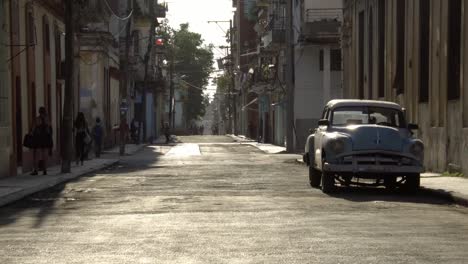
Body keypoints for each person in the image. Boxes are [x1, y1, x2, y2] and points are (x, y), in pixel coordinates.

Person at [31, 107, 53, 175]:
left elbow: (33, 128)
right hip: (46, 138)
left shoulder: (37, 119)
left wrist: (31, 134)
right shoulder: (47, 119)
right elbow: (50, 128)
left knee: (37, 154)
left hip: (38, 138)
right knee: (45, 154)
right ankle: (45, 170)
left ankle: (36, 170)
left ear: (39, 112)